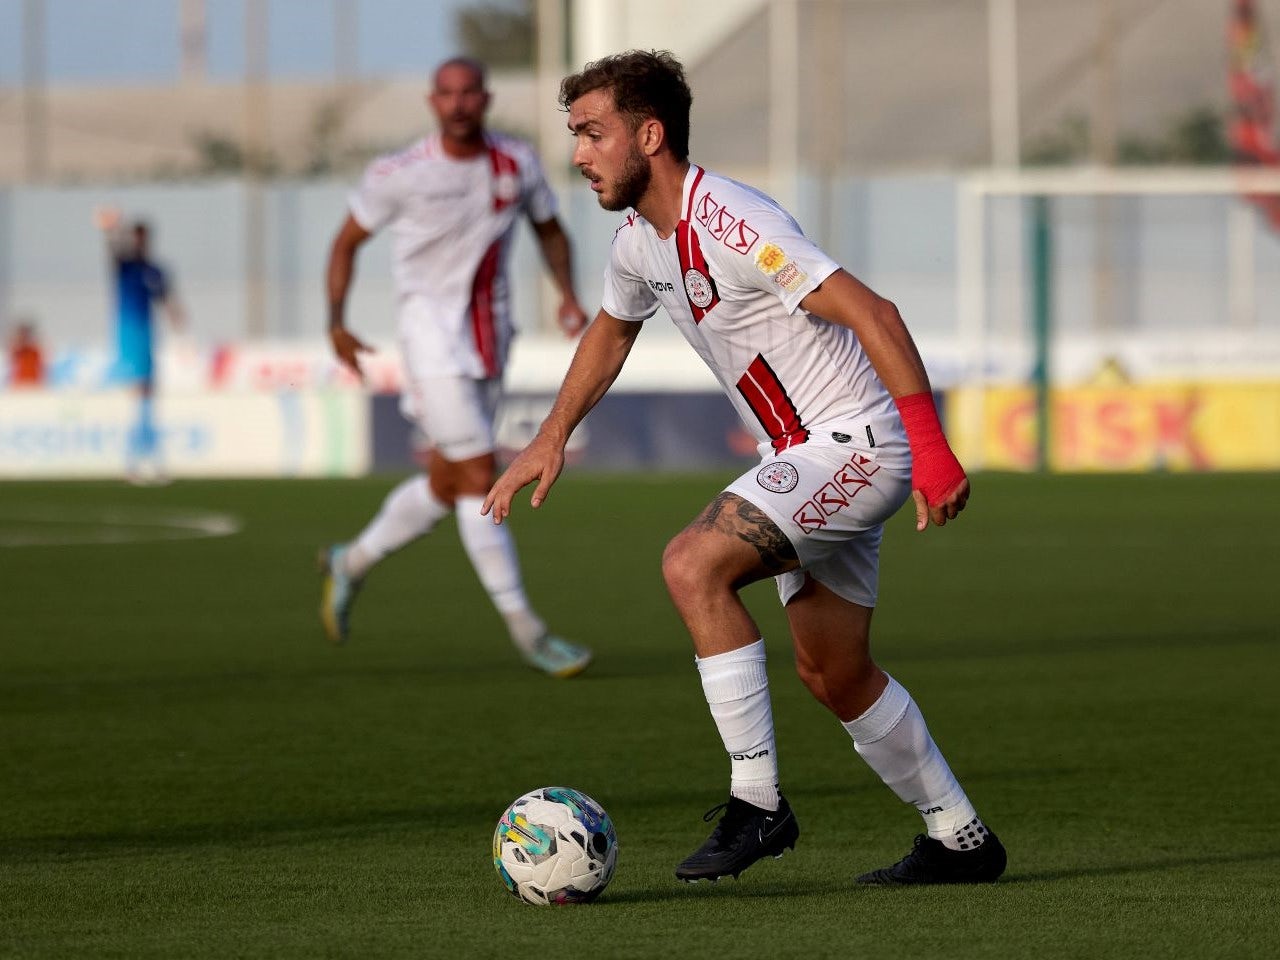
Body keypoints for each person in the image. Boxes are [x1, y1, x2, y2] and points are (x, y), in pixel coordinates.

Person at [484, 50, 1007, 885]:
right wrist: (550, 434)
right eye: (574, 135)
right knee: (834, 673)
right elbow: (612, 331)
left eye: (591, 133)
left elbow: (874, 311)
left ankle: (758, 803)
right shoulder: (638, 243)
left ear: (648, 135)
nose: (578, 153)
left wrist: (934, 452)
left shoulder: (731, 220)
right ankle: (960, 839)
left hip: (855, 444)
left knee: (693, 564)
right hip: (805, 458)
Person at [319, 57, 593, 679]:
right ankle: (528, 630)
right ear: (432, 102)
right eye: (448, 94)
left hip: (491, 340)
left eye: (470, 92)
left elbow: (550, 229)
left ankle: (352, 561)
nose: (460, 103)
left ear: (486, 98)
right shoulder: (401, 173)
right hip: (429, 341)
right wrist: (336, 321)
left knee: (448, 484)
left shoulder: (517, 163)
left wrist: (567, 293)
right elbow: (345, 242)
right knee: (477, 474)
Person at [95, 208, 185, 484]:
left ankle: (141, 463)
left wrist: (177, 319)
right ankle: (141, 463)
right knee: (140, 395)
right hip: (128, 331)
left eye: (142, 238)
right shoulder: (126, 265)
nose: (139, 243)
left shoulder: (154, 270)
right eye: (136, 238)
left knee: (147, 398)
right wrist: (110, 230)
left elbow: (167, 299)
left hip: (147, 333)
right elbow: (112, 252)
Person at [7, 321, 45, 387]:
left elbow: (40, 368)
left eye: (26, 335)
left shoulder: (35, 351)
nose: (24, 337)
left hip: (33, 383)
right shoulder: (16, 350)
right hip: (18, 384)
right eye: (22, 334)